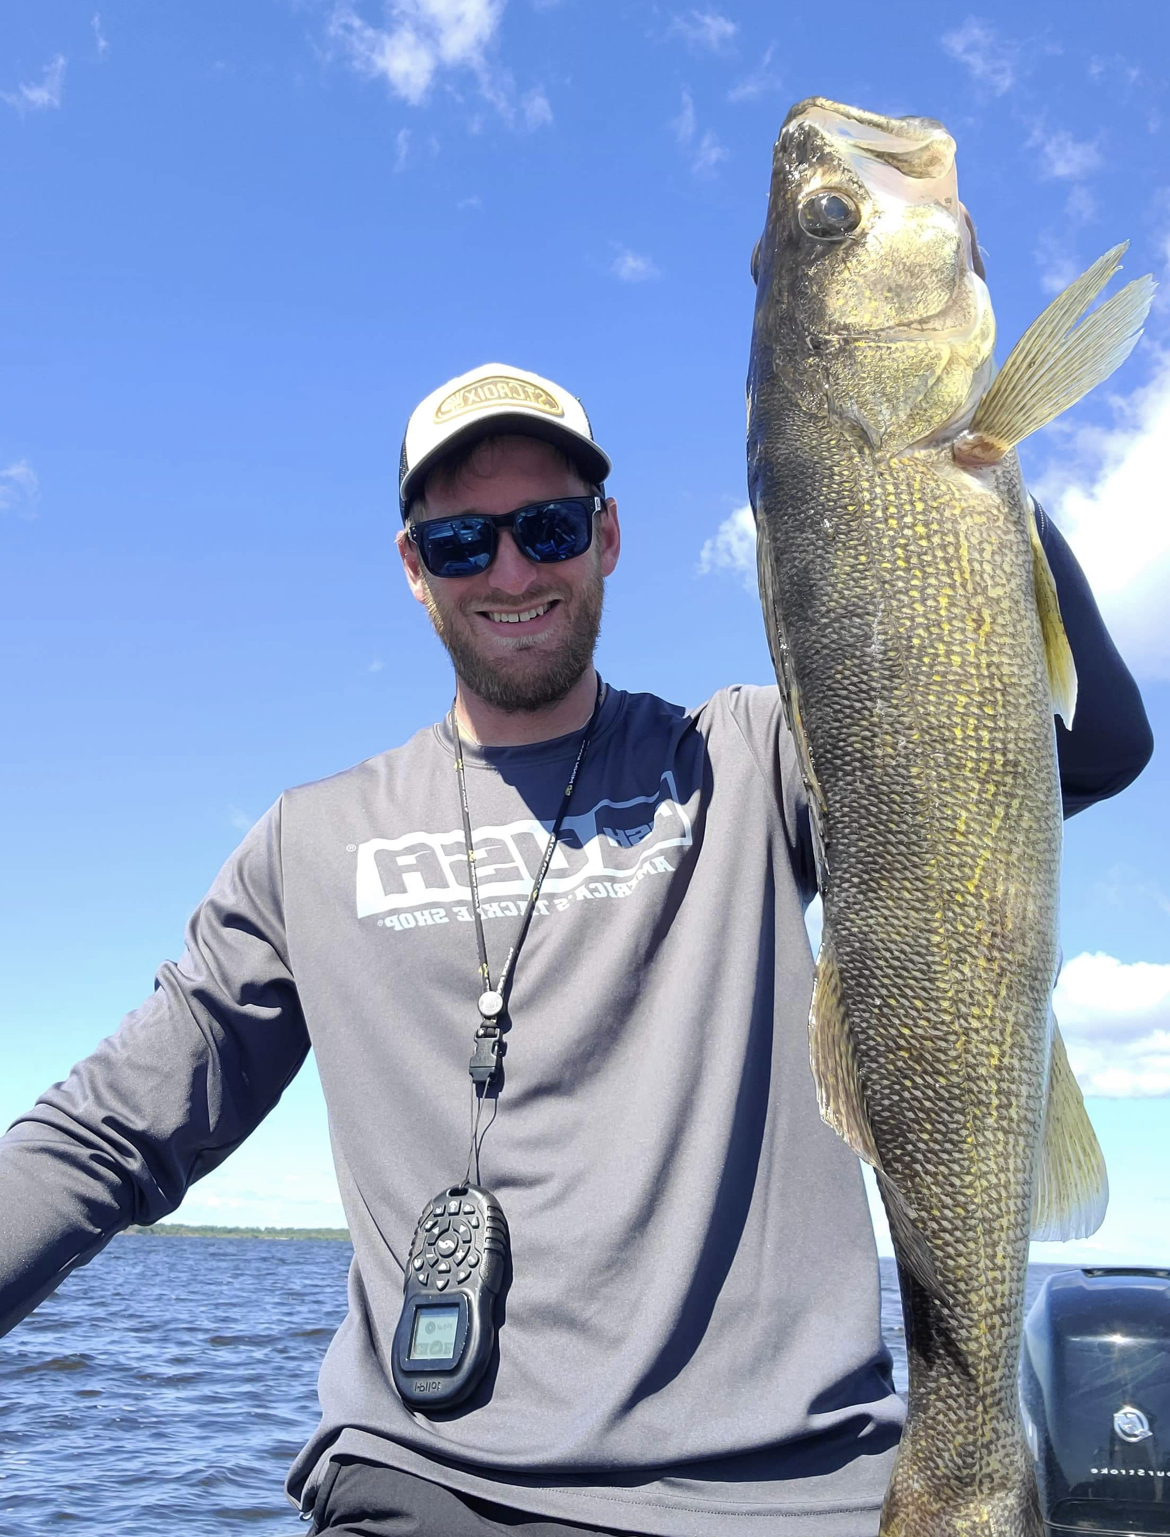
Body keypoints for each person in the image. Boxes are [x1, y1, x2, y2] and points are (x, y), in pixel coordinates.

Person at [0, 363, 1153, 1537]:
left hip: (796, 1487)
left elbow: (1094, 743)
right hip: (429, 1487)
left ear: (605, 537)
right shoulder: (311, 839)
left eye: (546, 526)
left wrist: (958, 477)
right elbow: (113, 1126)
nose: (510, 571)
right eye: (461, 541)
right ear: (414, 568)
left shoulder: (751, 761)